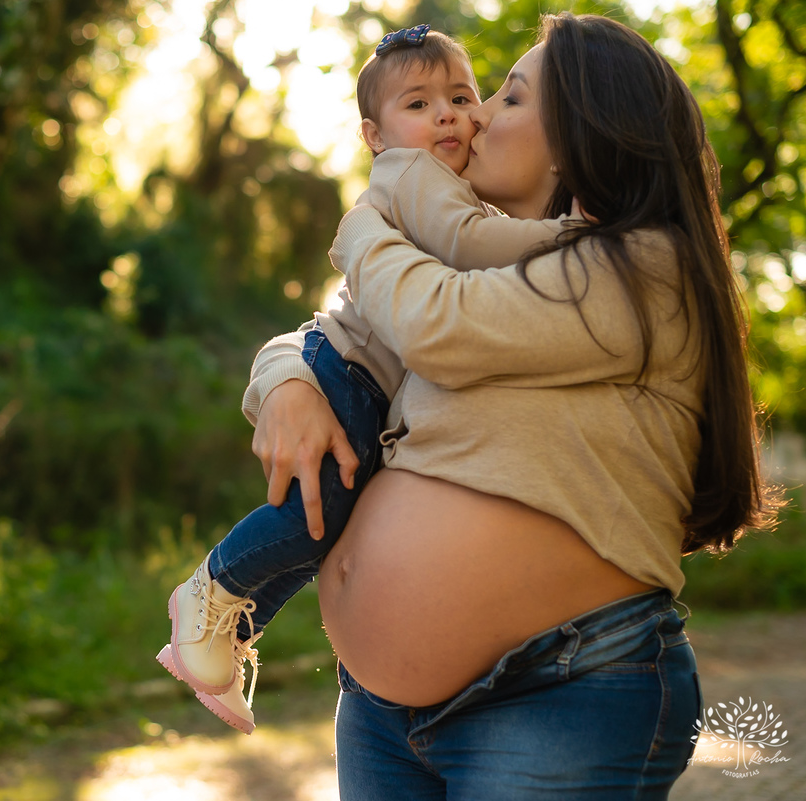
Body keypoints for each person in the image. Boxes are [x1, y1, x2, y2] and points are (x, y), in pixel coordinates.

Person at [247, 12, 777, 799]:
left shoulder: (645, 269)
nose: (478, 114)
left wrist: (363, 224)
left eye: (512, 97)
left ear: (582, 137)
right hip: (379, 715)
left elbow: (432, 324)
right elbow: (339, 334)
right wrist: (285, 380)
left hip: (557, 695)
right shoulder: (477, 268)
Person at [155, 26, 575, 734]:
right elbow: (469, 246)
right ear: (376, 136)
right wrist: (575, 240)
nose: (446, 113)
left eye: (461, 96)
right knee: (309, 513)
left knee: (324, 520)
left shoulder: (454, 188)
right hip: (345, 369)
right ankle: (208, 589)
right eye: (419, 103)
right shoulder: (414, 178)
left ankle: (228, 631)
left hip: (360, 381)